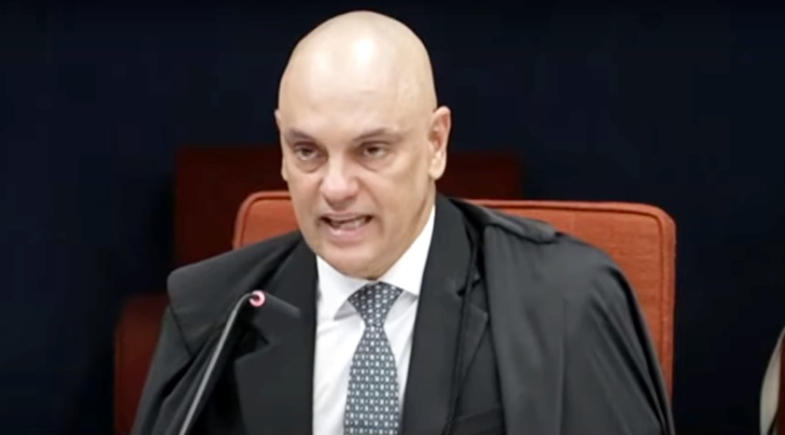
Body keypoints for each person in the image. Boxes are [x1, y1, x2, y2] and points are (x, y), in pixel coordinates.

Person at [132, 10, 675, 435]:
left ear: (435, 144)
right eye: (307, 151)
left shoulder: (566, 303)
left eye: (371, 150)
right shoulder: (211, 315)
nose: (335, 187)